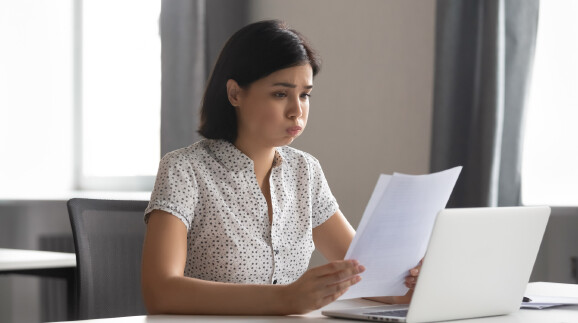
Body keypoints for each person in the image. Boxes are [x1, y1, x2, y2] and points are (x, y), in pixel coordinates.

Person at [141, 19, 421, 316]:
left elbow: (365, 276)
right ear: (235, 93)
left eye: (305, 94)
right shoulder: (184, 170)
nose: (296, 111)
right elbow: (160, 291)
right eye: (280, 94)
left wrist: (408, 286)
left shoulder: (305, 171)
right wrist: (285, 299)